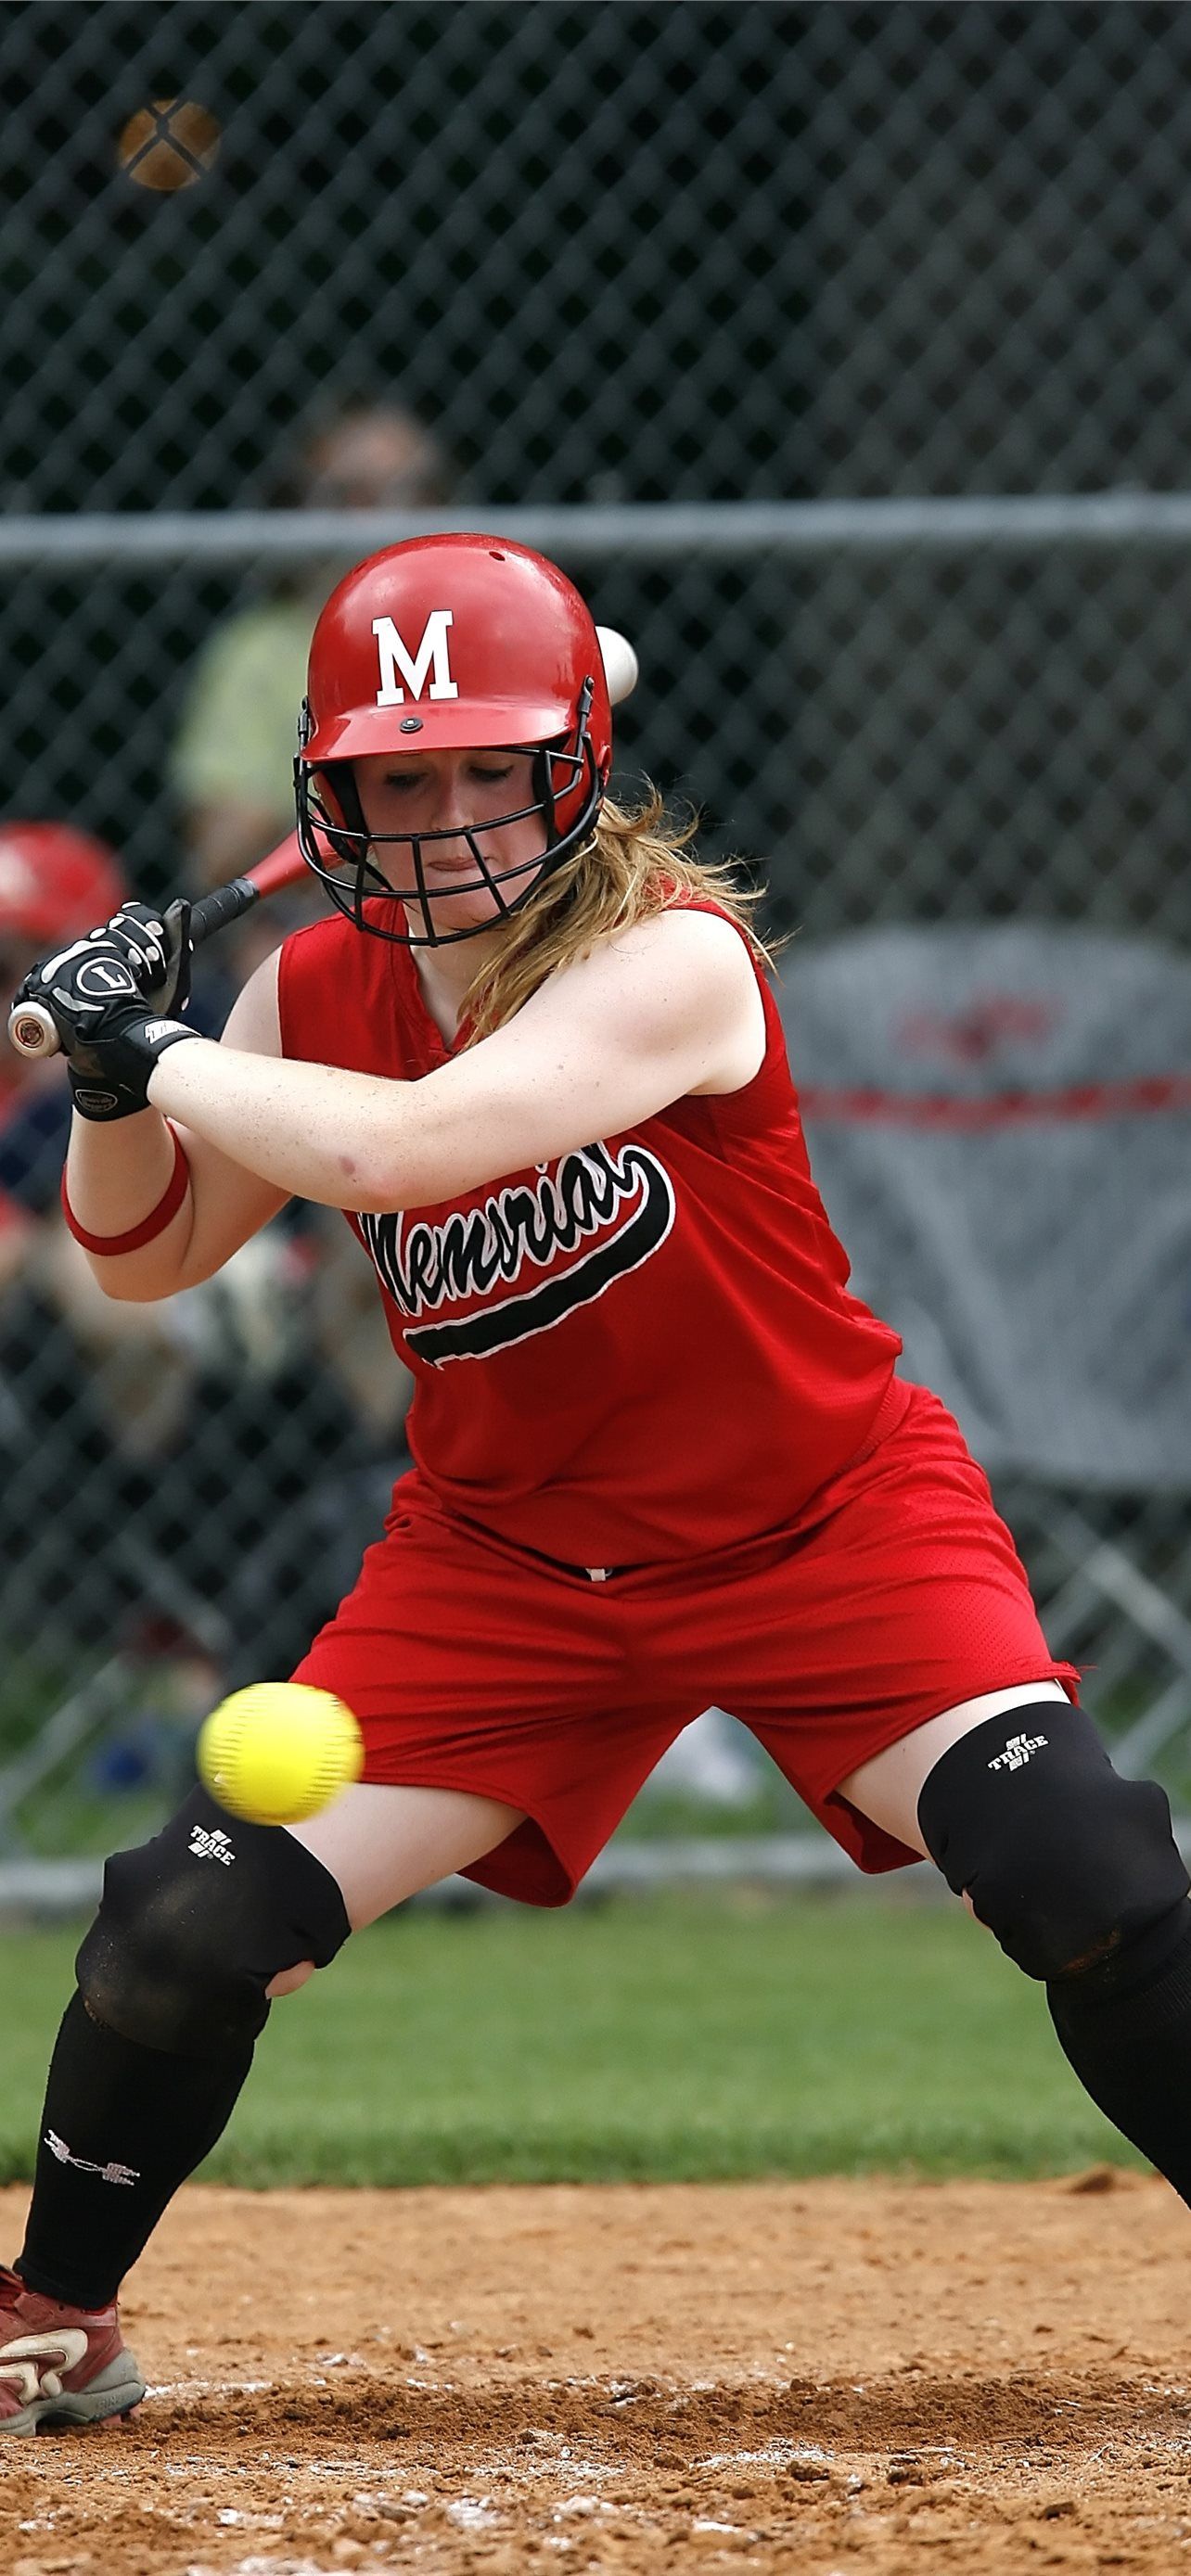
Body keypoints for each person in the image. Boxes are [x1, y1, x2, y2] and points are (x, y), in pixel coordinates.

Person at [2, 534, 1187, 2434]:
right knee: (181, 1920)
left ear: (577, 769)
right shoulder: (307, 995)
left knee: (1087, 1869)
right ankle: (53, 2313)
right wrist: (119, 1093)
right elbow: (142, 1259)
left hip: (825, 1524)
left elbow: (409, 1154)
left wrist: (158, 1046)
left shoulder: (674, 960)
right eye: (407, 775)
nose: (453, 813)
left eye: (495, 765)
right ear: (335, 790)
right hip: (505, 1570)